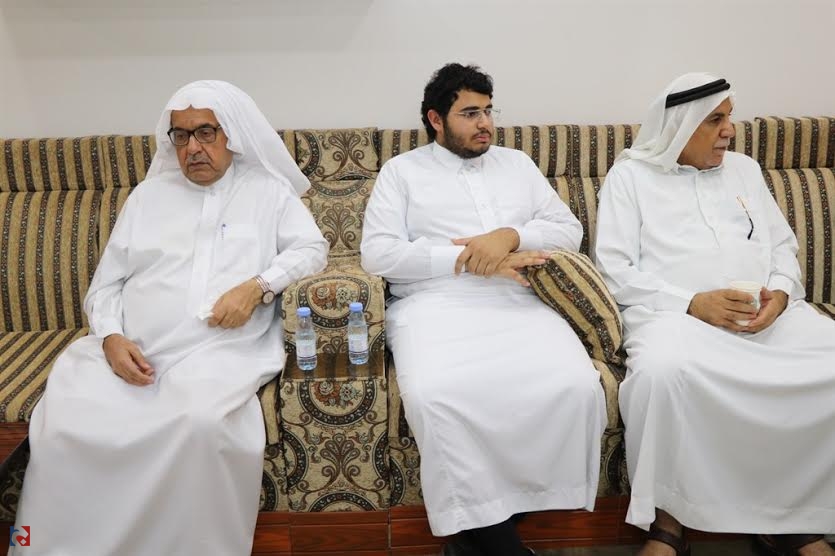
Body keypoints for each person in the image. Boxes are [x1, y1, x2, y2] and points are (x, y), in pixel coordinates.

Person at [10, 80, 328, 555]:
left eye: (205, 132)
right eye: (181, 135)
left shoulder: (268, 191)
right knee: (64, 426)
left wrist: (257, 285)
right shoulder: (148, 197)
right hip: (131, 353)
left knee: (200, 424)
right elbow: (106, 285)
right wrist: (111, 339)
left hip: (219, 351)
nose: (193, 147)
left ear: (231, 134)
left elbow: (312, 249)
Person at [361, 63, 607, 556]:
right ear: (436, 119)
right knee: (435, 394)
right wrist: (470, 259)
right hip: (433, 306)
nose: (485, 124)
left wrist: (509, 236)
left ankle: (477, 536)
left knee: (577, 386)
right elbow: (379, 254)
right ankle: (499, 545)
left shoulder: (517, 165)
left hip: (521, 302)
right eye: (470, 113)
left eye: (489, 111)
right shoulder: (402, 172)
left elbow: (569, 230)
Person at [594, 73, 835, 556]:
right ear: (679, 126)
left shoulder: (745, 170)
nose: (729, 130)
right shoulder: (631, 177)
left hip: (768, 318)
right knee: (663, 374)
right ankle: (668, 525)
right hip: (673, 318)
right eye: (715, 120)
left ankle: (795, 519)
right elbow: (613, 269)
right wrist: (692, 302)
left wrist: (782, 295)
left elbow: (783, 248)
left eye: (730, 117)